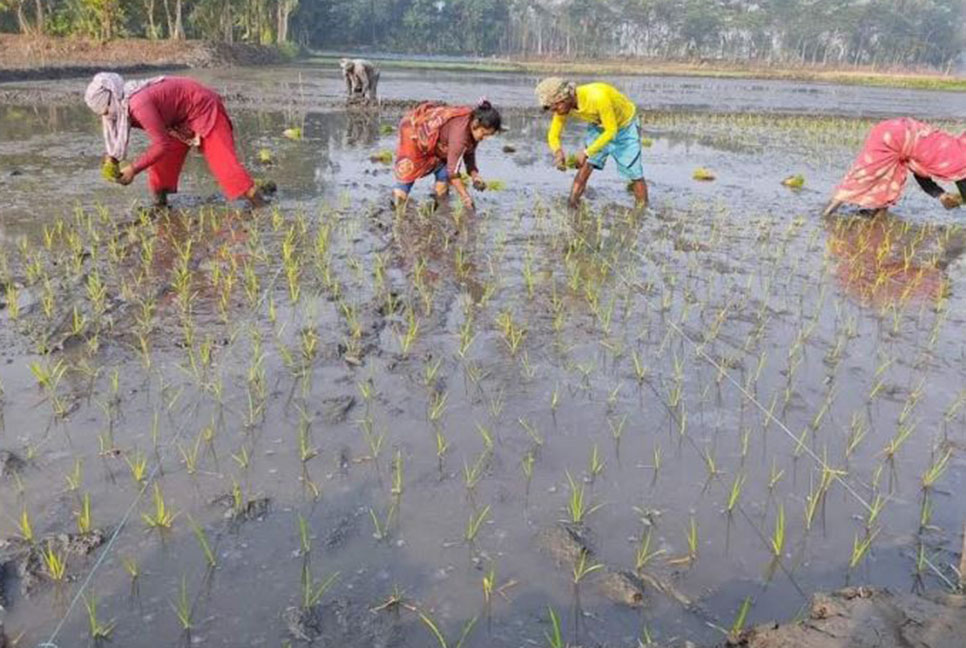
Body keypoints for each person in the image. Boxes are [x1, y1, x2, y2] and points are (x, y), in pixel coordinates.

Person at [84, 73, 268, 208]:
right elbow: (119, 138)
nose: (108, 117)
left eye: (107, 111)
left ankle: (262, 208)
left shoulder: (138, 104)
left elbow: (160, 144)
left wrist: (133, 169)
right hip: (176, 120)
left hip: (202, 107)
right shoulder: (121, 106)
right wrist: (112, 160)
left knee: (224, 166)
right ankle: (160, 208)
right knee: (161, 167)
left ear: (113, 100)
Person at [535, 77, 648, 209]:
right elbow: (553, 135)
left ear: (565, 98)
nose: (555, 112)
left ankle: (642, 211)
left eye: (556, 107)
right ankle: (572, 206)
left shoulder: (597, 97)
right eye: (552, 109)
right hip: (599, 125)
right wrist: (558, 152)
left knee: (634, 174)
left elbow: (611, 131)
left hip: (625, 126)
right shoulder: (563, 107)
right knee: (585, 168)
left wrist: (586, 152)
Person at [822, 117, 966, 218]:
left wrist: (940, 194)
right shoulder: (960, 160)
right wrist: (943, 196)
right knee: (862, 179)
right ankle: (826, 214)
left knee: (890, 180)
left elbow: (920, 172)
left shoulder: (952, 147)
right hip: (894, 137)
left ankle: (877, 215)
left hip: (898, 132)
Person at [392, 99, 502, 210]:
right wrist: (466, 197)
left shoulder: (472, 127)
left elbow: (469, 153)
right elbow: (453, 173)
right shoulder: (460, 135)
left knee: (443, 174)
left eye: (488, 135)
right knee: (407, 176)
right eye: (483, 133)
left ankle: (439, 208)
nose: (484, 138)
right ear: (476, 123)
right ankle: (398, 209)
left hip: (438, 144)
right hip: (415, 136)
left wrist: (475, 176)